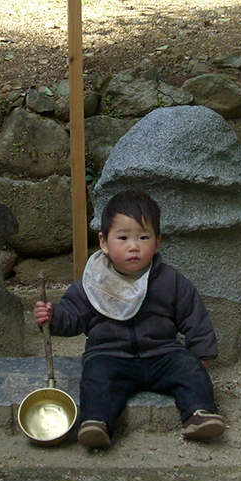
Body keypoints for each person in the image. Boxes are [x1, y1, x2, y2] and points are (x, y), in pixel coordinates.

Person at [34, 189, 227, 449]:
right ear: (104, 242)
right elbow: (74, 315)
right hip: (110, 355)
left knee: (190, 369)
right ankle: (97, 423)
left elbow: (194, 317)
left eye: (143, 237)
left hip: (162, 354)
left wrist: (201, 356)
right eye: (123, 237)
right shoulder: (94, 282)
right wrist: (53, 317)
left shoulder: (170, 280)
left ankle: (199, 414)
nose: (133, 246)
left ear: (157, 242)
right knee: (96, 378)